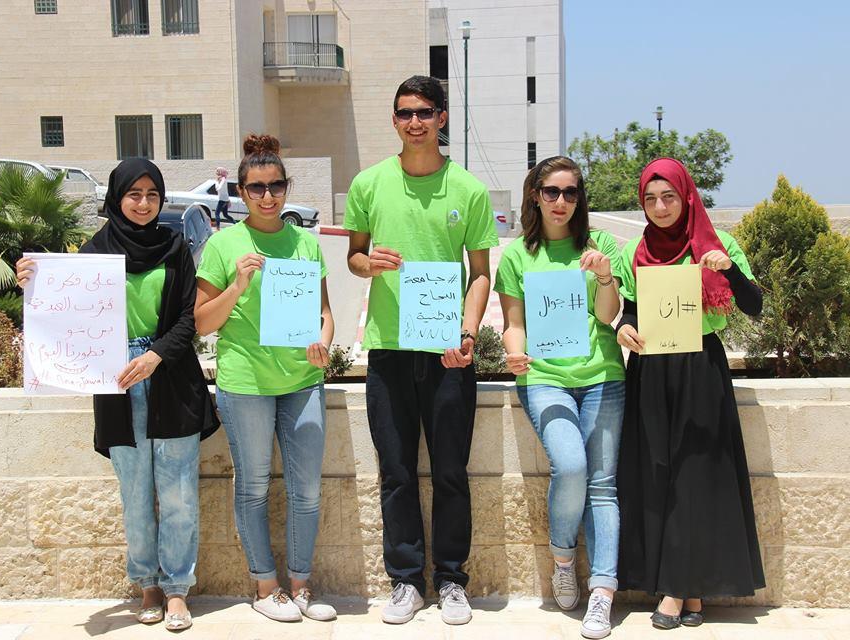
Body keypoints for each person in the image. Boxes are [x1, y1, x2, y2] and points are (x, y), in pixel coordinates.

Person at [16, 158, 218, 632]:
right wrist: (32, 278)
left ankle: (176, 589)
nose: (144, 203)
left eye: (152, 194)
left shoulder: (175, 247)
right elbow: (64, 306)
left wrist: (155, 356)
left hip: (171, 379)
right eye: (134, 194)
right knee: (135, 495)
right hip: (115, 384)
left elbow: (188, 317)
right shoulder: (93, 253)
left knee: (179, 494)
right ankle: (147, 584)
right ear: (116, 198)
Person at [344, 75, 498, 626]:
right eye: (405, 112)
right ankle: (406, 581)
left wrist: (468, 332)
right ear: (394, 120)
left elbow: (480, 274)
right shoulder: (368, 183)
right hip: (388, 350)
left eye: (425, 112)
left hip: (447, 351)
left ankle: (452, 579)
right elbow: (353, 257)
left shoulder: (469, 190)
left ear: (441, 119)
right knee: (397, 472)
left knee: (451, 470)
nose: (415, 122)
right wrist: (369, 264)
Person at [615, 157, 765, 630]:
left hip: (700, 368)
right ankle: (692, 590)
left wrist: (729, 270)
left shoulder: (719, 245)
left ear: (687, 196)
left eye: (669, 197)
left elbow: (755, 306)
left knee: (696, 476)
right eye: (650, 199)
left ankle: (676, 591)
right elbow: (631, 311)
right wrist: (623, 328)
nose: (660, 208)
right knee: (659, 474)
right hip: (651, 370)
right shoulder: (634, 251)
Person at [193, 134, 337, 623]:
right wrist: (237, 285)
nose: (268, 196)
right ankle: (265, 586)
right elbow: (201, 323)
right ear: (241, 192)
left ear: (286, 187)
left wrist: (323, 343)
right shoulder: (223, 245)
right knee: (253, 487)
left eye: (276, 186)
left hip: (302, 381)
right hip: (246, 384)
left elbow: (324, 313)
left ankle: (300, 584)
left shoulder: (305, 243)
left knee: (307, 490)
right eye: (257, 188)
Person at [494, 156, 625, 639]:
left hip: (602, 376)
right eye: (552, 191)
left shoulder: (600, 245)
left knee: (603, 485)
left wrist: (606, 277)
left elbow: (608, 316)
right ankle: (564, 560)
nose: (561, 201)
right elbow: (514, 324)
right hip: (545, 378)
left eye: (571, 192)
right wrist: (513, 353)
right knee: (570, 466)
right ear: (535, 195)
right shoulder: (517, 255)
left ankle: (603, 592)